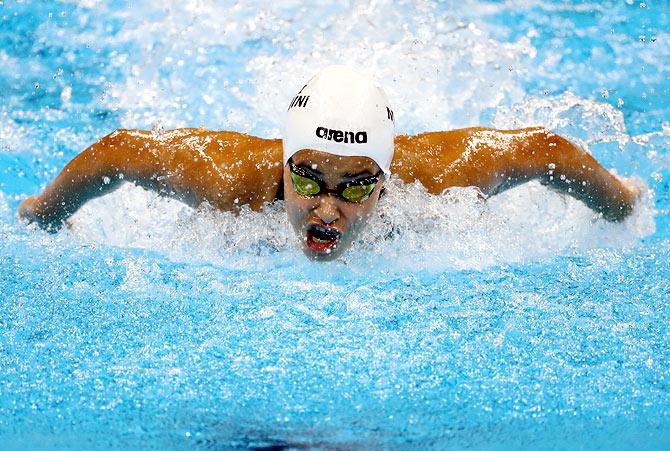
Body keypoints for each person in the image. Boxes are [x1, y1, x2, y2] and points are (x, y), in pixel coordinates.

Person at [18, 65, 639, 260]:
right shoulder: (232, 180)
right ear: (285, 164)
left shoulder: (435, 182)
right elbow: (120, 151)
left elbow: (541, 151)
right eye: (309, 176)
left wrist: (623, 204)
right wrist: (44, 212)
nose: (327, 204)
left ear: (386, 179)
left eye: (357, 184)